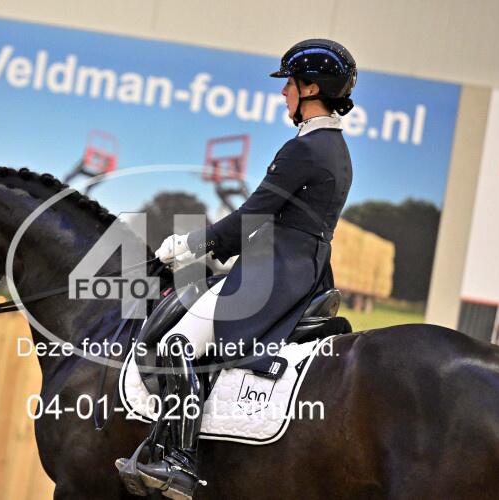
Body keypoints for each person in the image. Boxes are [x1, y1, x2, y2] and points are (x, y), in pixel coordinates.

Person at [117, 39, 357, 500]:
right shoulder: (337, 148)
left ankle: (179, 461)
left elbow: (252, 214)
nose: (284, 92)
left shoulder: (305, 150)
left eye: (290, 83)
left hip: (275, 271)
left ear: (311, 88)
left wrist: (187, 246)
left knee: (176, 344)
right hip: (302, 268)